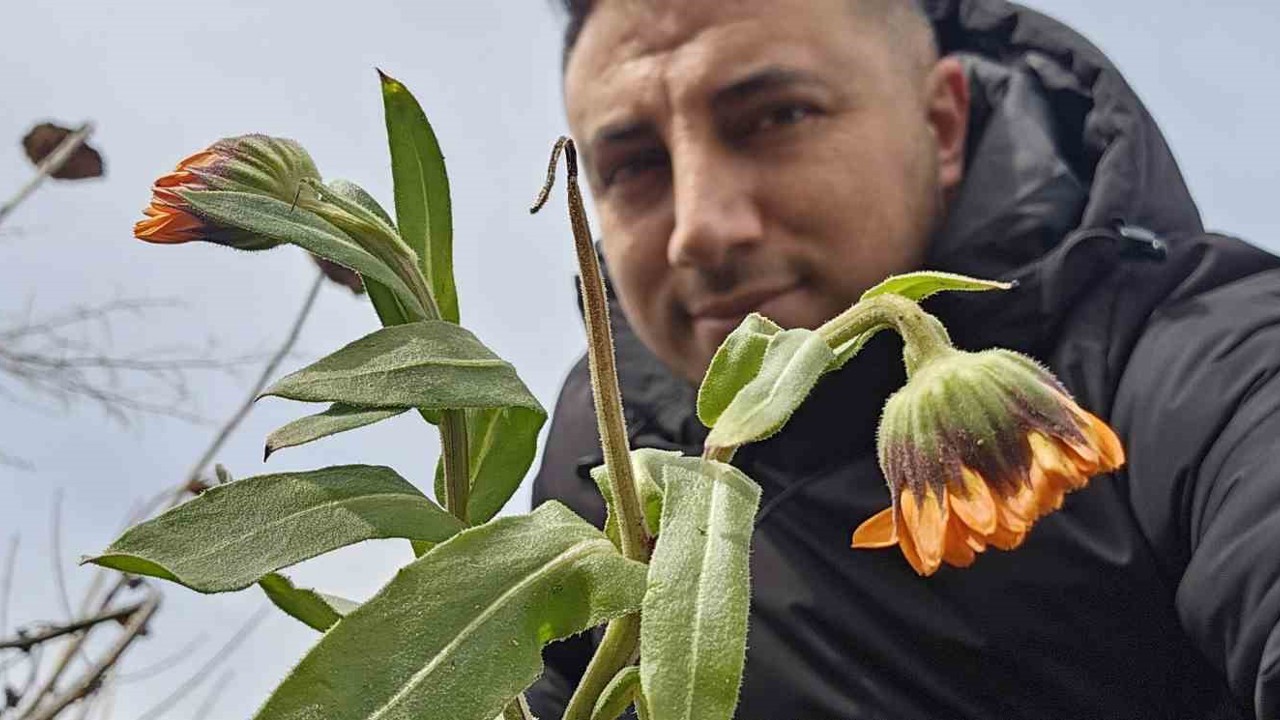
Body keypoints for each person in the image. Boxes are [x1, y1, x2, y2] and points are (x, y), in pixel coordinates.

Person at [528, 0, 1280, 718]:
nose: (700, 228)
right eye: (631, 165)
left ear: (944, 125)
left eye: (777, 116)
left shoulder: (1201, 346)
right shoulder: (603, 448)